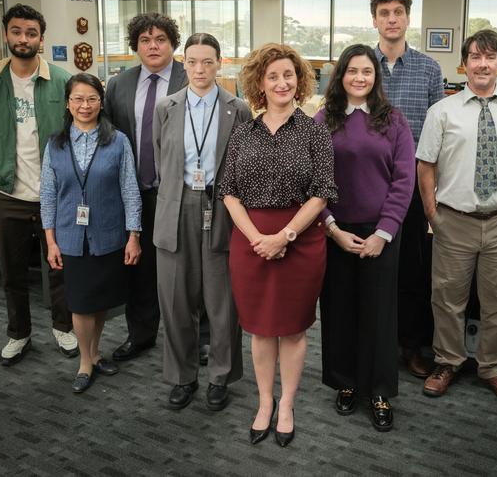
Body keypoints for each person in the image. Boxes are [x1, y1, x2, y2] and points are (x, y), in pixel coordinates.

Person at [220, 43, 337, 447]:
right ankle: (264, 402)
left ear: (300, 81)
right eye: (273, 76)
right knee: (260, 330)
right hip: (250, 241)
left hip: (300, 242)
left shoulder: (314, 131)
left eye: (288, 75)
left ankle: (286, 404)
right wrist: (258, 239)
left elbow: (322, 193)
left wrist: (284, 236)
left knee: (291, 329)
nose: (281, 82)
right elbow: (229, 193)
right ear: (259, 83)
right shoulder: (243, 131)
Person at [416, 29, 497, 401]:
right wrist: (431, 212)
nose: (482, 64)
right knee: (447, 298)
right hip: (453, 220)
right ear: (465, 63)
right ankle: (448, 361)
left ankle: (493, 367)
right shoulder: (442, 111)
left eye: (490, 57)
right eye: (475, 57)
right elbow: (426, 165)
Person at [0, 3, 78, 365]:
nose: (23, 39)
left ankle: (64, 326)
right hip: (7, 193)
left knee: (60, 268)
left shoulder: (61, 81)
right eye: (17, 31)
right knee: (12, 271)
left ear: (41, 39)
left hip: (55, 193)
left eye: (31, 33)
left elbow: (79, 134)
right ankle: (19, 333)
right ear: (6, 35)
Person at [314, 44, 414, 432]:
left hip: (381, 232)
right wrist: (331, 228)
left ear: (376, 77)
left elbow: (403, 181)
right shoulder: (324, 119)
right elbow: (313, 181)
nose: (359, 78)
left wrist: (383, 233)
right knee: (339, 310)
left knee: (379, 314)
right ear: (341, 76)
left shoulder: (394, 122)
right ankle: (346, 382)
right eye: (352, 71)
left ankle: (378, 390)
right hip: (336, 231)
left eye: (367, 72)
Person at [152, 33, 251, 411]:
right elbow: (162, 161)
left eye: (207, 61)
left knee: (222, 301)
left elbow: (242, 166)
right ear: (183, 63)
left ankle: (220, 377)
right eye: (192, 61)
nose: (199, 69)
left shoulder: (237, 108)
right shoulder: (167, 107)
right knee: (176, 300)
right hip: (176, 208)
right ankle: (182, 376)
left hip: (221, 207)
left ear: (219, 64)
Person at [41, 73, 142, 393]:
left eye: (92, 99)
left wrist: (133, 234)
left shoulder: (118, 141)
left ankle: (96, 353)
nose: (85, 105)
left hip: (108, 236)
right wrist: (50, 241)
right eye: (78, 99)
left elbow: (130, 190)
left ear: (102, 102)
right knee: (81, 303)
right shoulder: (55, 145)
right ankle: (85, 361)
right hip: (71, 238)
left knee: (100, 300)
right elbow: (47, 195)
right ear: (68, 104)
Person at [104, 12, 193, 363]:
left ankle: (195, 339)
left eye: (160, 39)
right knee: (138, 269)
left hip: (180, 192)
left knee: (186, 269)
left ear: (173, 44)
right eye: (145, 40)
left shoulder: (192, 78)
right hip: (135, 192)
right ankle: (140, 335)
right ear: (135, 46)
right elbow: (110, 137)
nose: (153, 46)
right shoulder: (119, 84)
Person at [370, 0, 444, 378]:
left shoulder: (429, 69)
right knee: (370, 266)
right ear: (375, 19)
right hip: (366, 183)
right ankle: (371, 342)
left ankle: (411, 345)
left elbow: (437, 136)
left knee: (412, 270)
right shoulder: (361, 65)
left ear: (408, 18)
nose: (392, 19)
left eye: (398, 12)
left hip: (412, 185)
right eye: (384, 13)